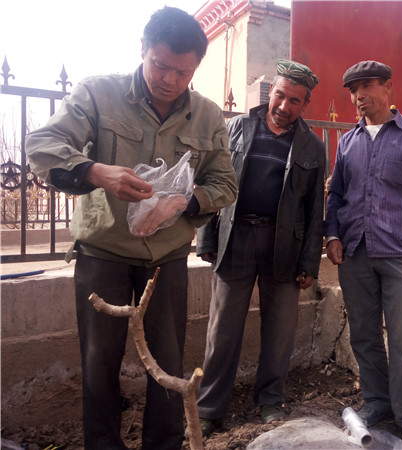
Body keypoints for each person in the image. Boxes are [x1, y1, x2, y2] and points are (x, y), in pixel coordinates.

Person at [25, 7, 237, 449]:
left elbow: (225, 183)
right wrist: (95, 171)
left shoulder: (207, 115)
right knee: (99, 362)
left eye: (183, 72)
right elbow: (42, 145)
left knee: (167, 361)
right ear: (142, 49)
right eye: (160, 65)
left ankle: (164, 443)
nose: (170, 80)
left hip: (167, 259)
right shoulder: (98, 93)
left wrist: (184, 201)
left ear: (195, 68)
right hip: (102, 255)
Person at [195, 59, 325, 436]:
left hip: (283, 245)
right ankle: (209, 408)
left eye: (295, 100)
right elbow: (211, 182)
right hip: (235, 238)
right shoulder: (236, 128)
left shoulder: (313, 146)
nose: (284, 106)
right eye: (280, 95)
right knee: (222, 330)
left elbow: (315, 210)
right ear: (272, 92)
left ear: (305, 104)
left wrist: (309, 263)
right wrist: (206, 238)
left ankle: (270, 400)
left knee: (280, 332)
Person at [324, 60, 402, 450]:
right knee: (364, 335)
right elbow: (336, 194)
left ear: (387, 87)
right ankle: (378, 402)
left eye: (366, 86)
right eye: (353, 90)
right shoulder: (348, 142)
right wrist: (332, 234)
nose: (359, 96)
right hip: (356, 253)